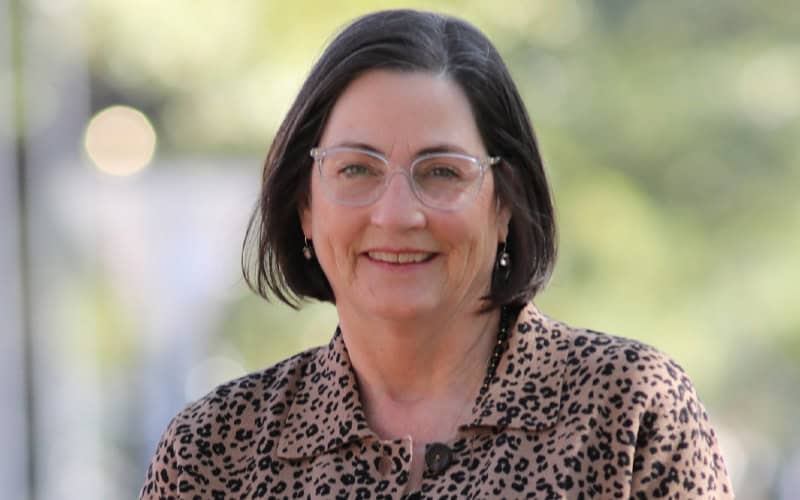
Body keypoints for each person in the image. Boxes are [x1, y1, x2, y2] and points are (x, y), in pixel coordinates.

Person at [140, 9, 733, 499]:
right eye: (355, 169)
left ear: (504, 204)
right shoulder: (214, 453)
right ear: (305, 206)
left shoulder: (626, 411)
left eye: (443, 171)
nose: (397, 214)